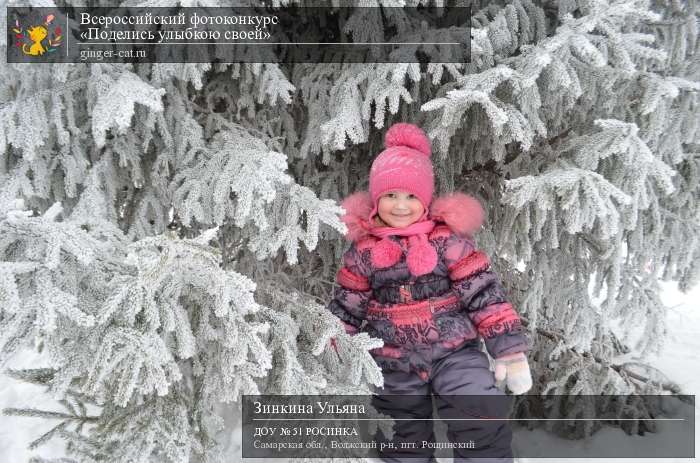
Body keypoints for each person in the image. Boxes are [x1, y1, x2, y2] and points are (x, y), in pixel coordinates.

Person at [326, 122, 533, 462]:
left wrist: (508, 350)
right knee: (399, 440)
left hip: (455, 354)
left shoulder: (448, 243)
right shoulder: (363, 253)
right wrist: (330, 350)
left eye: (411, 196)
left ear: (425, 200)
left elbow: (485, 296)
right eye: (391, 195)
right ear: (377, 200)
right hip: (391, 362)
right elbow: (346, 309)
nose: (401, 205)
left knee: (480, 417)